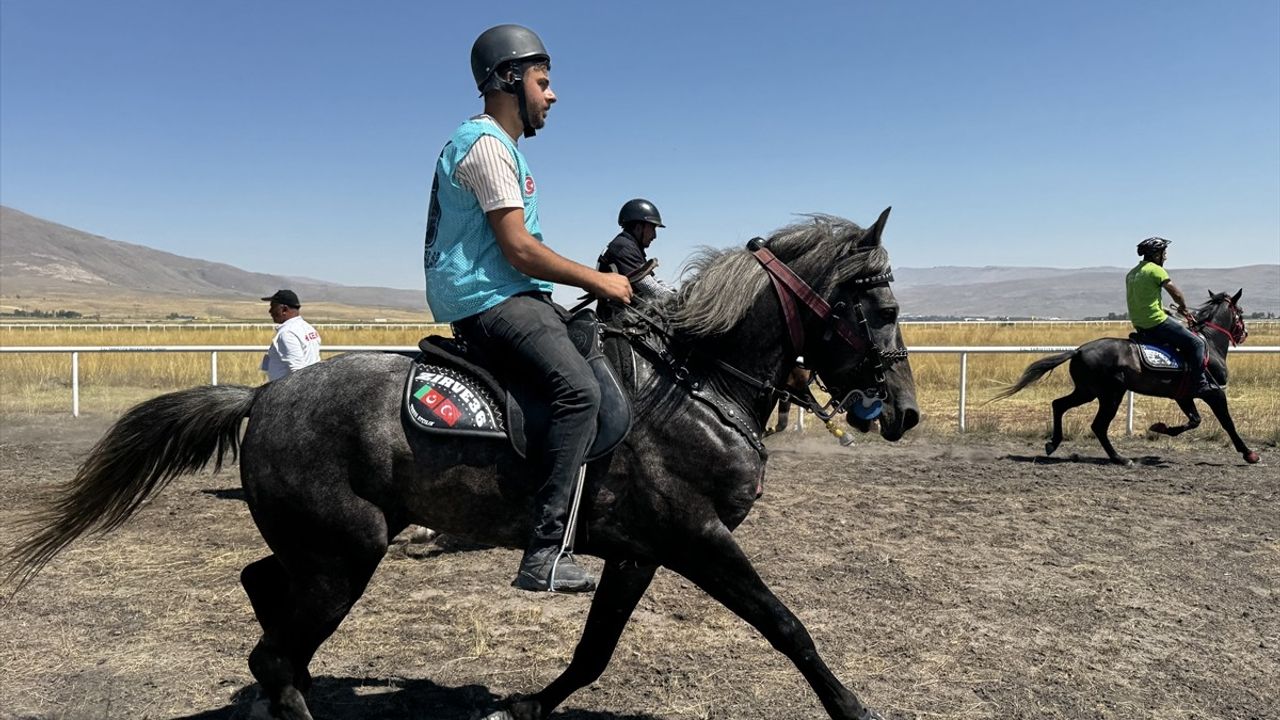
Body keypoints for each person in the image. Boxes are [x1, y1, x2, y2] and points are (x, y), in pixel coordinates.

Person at [422, 24, 631, 593]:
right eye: (543, 81)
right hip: (492, 298)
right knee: (579, 391)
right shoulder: (487, 146)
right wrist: (598, 280)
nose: (552, 95)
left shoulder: (502, 147)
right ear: (509, 79)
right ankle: (545, 551)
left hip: (508, 293)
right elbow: (519, 248)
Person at [1125, 237, 1214, 395]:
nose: (1165, 257)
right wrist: (1182, 306)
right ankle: (1199, 383)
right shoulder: (1155, 270)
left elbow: (1143, 300)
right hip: (1156, 322)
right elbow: (1176, 293)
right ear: (1155, 255)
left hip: (1139, 324)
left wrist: (1165, 309)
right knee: (1197, 343)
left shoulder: (1131, 273)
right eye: (1163, 253)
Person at [598, 198, 677, 301]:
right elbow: (651, 289)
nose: (654, 236)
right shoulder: (624, 248)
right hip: (618, 311)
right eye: (652, 229)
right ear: (639, 227)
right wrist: (678, 300)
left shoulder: (629, 245)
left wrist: (675, 293)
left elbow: (653, 280)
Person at [260, 289, 321, 381]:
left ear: (284, 309)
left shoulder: (287, 333)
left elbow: (298, 372)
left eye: (273, 306)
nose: (270, 311)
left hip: (286, 388)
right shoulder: (308, 328)